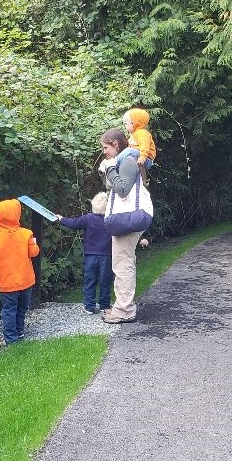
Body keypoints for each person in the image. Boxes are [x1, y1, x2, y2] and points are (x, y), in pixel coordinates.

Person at [100, 128, 153, 324]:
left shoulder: (128, 160)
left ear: (116, 144)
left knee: (122, 264)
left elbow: (122, 189)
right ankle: (122, 307)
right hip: (128, 218)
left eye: (106, 147)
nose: (104, 152)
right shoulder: (127, 160)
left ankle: (124, 310)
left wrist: (110, 169)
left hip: (128, 218)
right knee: (123, 262)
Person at [0, 199, 40, 345]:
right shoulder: (26, 233)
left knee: (9, 310)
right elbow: (34, 253)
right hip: (26, 280)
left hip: (8, 284)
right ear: (17, 215)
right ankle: (20, 331)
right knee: (22, 308)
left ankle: (11, 338)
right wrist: (33, 242)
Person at [55, 192, 113, 315]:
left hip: (90, 255)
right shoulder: (111, 221)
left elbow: (74, 224)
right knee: (105, 281)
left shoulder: (88, 218)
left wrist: (62, 219)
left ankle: (89, 305)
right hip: (107, 256)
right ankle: (104, 305)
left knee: (89, 280)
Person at [123, 108, 157, 183]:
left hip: (146, 158)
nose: (125, 126)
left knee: (128, 151)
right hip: (138, 157)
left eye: (125, 123)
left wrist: (143, 157)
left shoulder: (142, 133)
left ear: (132, 123)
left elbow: (145, 146)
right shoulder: (134, 135)